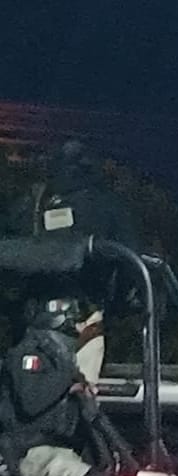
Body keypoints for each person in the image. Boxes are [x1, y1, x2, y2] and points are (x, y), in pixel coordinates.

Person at [6, 139, 141, 385]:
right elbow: (130, 266)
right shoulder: (107, 205)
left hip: (29, 322)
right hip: (84, 320)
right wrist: (121, 306)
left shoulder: (30, 204)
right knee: (80, 396)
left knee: (25, 395)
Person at [0, 301, 107, 476]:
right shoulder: (27, 354)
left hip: (48, 449)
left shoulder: (59, 357)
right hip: (23, 450)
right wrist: (68, 378)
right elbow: (31, 401)